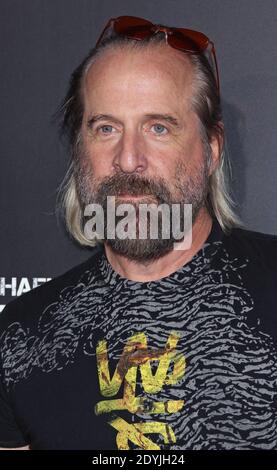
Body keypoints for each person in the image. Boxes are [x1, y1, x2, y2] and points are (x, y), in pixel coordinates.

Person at [1, 15, 277, 451]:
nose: (129, 159)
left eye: (158, 127)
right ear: (79, 150)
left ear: (212, 149)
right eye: (106, 128)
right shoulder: (22, 335)